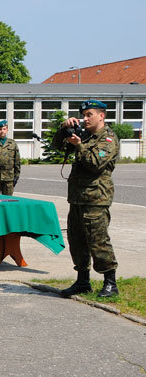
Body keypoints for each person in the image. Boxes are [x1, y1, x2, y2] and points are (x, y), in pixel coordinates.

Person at [52, 100, 119, 298]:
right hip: (78, 198)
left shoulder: (108, 139)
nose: (85, 118)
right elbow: (57, 146)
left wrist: (79, 146)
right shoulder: (85, 135)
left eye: (90, 114)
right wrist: (63, 129)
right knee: (77, 240)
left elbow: (96, 163)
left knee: (98, 241)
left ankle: (110, 283)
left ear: (102, 116)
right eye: (84, 115)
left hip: (96, 198)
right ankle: (83, 281)